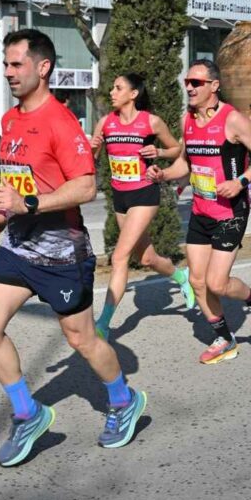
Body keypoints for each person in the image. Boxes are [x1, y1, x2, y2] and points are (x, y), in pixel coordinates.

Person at [0, 29, 146, 465]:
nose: (9, 72)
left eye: (17, 64)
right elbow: (20, 182)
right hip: (18, 248)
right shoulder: (10, 121)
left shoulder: (61, 121)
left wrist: (28, 204)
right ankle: (27, 414)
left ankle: (123, 400)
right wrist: (4, 214)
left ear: (43, 67)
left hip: (62, 254)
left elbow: (86, 187)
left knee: (81, 338)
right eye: (6, 64)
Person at [146, 59, 251, 365]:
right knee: (197, 281)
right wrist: (163, 175)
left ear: (214, 86)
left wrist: (241, 181)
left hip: (230, 213)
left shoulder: (232, 119)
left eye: (196, 82)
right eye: (187, 82)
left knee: (217, 283)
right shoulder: (188, 120)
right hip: (201, 211)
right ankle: (225, 339)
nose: (189, 87)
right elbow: (185, 164)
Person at [89, 73, 196, 340]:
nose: (112, 92)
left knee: (119, 257)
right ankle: (181, 276)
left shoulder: (150, 121)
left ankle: (103, 324)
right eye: (113, 88)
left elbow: (176, 149)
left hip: (144, 194)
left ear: (133, 94)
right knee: (146, 259)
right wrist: (93, 148)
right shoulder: (105, 122)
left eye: (118, 88)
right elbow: (92, 160)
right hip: (120, 196)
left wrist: (158, 153)